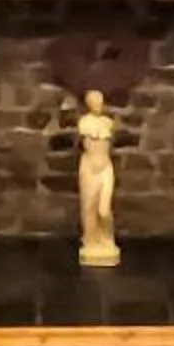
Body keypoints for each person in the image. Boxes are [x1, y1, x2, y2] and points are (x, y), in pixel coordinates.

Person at [76, 90, 120, 267]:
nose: (98, 104)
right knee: (89, 207)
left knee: (104, 209)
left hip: (105, 168)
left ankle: (108, 238)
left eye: (100, 101)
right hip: (89, 168)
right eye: (94, 101)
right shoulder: (84, 122)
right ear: (88, 103)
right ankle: (91, 240)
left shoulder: (108, 123)